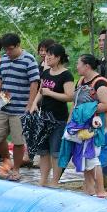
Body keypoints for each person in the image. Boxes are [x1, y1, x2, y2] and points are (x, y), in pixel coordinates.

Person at [59, 54, 107, 197]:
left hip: (92, 127)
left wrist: (86, 111)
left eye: (78, 64)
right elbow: (76, 104)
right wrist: (69, 122)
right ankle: (89, 190)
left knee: (92, 158)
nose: (76, 67)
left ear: (87, 66)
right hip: (79, 126)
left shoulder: (100, 83)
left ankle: (101, 191)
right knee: (82, 157)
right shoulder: (82, 81)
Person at [0, 33, 40, 181]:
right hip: (4, 101)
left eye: (11, 49)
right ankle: (7, 159)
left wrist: (30, 103)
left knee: (18, 140)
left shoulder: (29, 59)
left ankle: (16, 169)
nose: (8, 52)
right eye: (5, 49)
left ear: (18, 45)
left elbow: (34, 82)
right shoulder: (4, 59)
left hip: (20, 105)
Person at [28, 43, 74, 187]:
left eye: (50, 55)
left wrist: (50, 93)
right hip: (44, 117)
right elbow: (41, 90)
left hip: (58, 118)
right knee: (43, 151)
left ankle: (55, 181)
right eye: (46, 55)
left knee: (55, 151)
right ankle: (43, 179)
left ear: (58, 57)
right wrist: (34, 103)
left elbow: (70, 96)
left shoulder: (66, 74)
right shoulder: (46, 72)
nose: (46, 58)